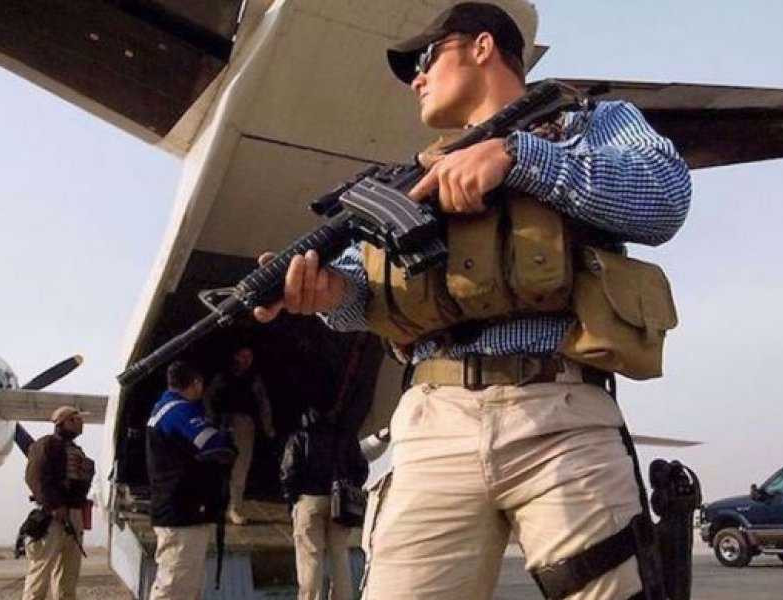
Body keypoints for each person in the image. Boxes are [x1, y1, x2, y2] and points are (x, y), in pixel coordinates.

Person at [254, 3, 691, 597]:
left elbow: (664, 196)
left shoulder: (585, 122)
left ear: (482, 47)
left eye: (427, 59)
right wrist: (330, 292)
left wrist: (519, 157)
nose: (417, 79)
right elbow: (365, 291)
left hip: (561, 414)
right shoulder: (411, 178)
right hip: (433, 421)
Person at [146, 360, 236, 600]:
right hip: (183, 512)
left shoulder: (162, 408)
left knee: (186, 587)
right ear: (196, 383)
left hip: (177, 509)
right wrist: (226, 437)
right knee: (175, 588)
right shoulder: (179, 411)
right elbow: (213, 444)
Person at [280, 408, 369, 600]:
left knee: (311, 558)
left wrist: (293, 500)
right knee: (340, 557)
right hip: (341, 503)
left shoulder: (300, 437)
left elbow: (288, 472)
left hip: (309, 499)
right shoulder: (346, 435)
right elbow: (361, 469)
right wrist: (348, 486)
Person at [22, 406, 95, 600]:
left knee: (68, 576)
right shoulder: (46, 445)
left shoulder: (77, 451)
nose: (81, 424)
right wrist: (54, 506)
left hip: (74, 515)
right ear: (65, 422)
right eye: (77, 420)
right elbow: (35, 478)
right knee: (40, 573)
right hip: (52, 517)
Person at [204, 345, 275, 524]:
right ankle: (213, 506)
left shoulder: (254, 379)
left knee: (240, 468)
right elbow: (208, 398)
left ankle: (235, 508)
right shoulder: (222, 376)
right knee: (217, 467)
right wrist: (209, 420)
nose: (246, 360)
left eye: (249, 356)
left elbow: (263, 403)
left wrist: (267, 426)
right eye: (242, 356)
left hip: (244, 424)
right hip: (221, 424)